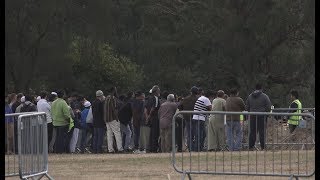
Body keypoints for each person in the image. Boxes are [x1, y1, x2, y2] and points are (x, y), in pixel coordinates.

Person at [246, 84, 272, 150]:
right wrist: (266, 113)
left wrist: (251, 112)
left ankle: (251, 147)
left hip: (252, 116)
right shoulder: (265, 96)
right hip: (262, 116)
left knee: (252, 132)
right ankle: (263, 147)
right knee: (262, 132)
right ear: (261, 89)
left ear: (255, 88)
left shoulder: (250, 96)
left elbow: (247, 107)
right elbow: (268, 106)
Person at [178, 86, 199, 151]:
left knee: (189, 134)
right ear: (197, 92)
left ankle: (190, 148)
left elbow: (179, 107)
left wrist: (184, 112)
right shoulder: (198, 99)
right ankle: (196, 148)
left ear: (191, 91)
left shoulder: (186, 99)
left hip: (187, 118)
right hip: (196, 118)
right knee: (197, 134)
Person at [104, 87, 124, 153]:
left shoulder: (106, 98)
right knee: (117, 133)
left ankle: (110, 149)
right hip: (113, 118)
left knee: (109, 134)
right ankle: (120, 148)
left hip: (107, 119)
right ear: (114, 91)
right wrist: (117, 118)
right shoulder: (113, 98)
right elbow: (114, 109)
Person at [146, 85, 161, 153]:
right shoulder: (156, 98)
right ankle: (154, 148)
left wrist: (147, 117)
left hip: (150, 117)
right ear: (155, 92)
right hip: (154, 117)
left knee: (151, 133)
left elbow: (145, 108)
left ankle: (150, 147)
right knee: (155, 133)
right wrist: (149, 116)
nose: (159, 91)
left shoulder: (149, 98)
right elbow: (153, 108)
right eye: (158, 90)